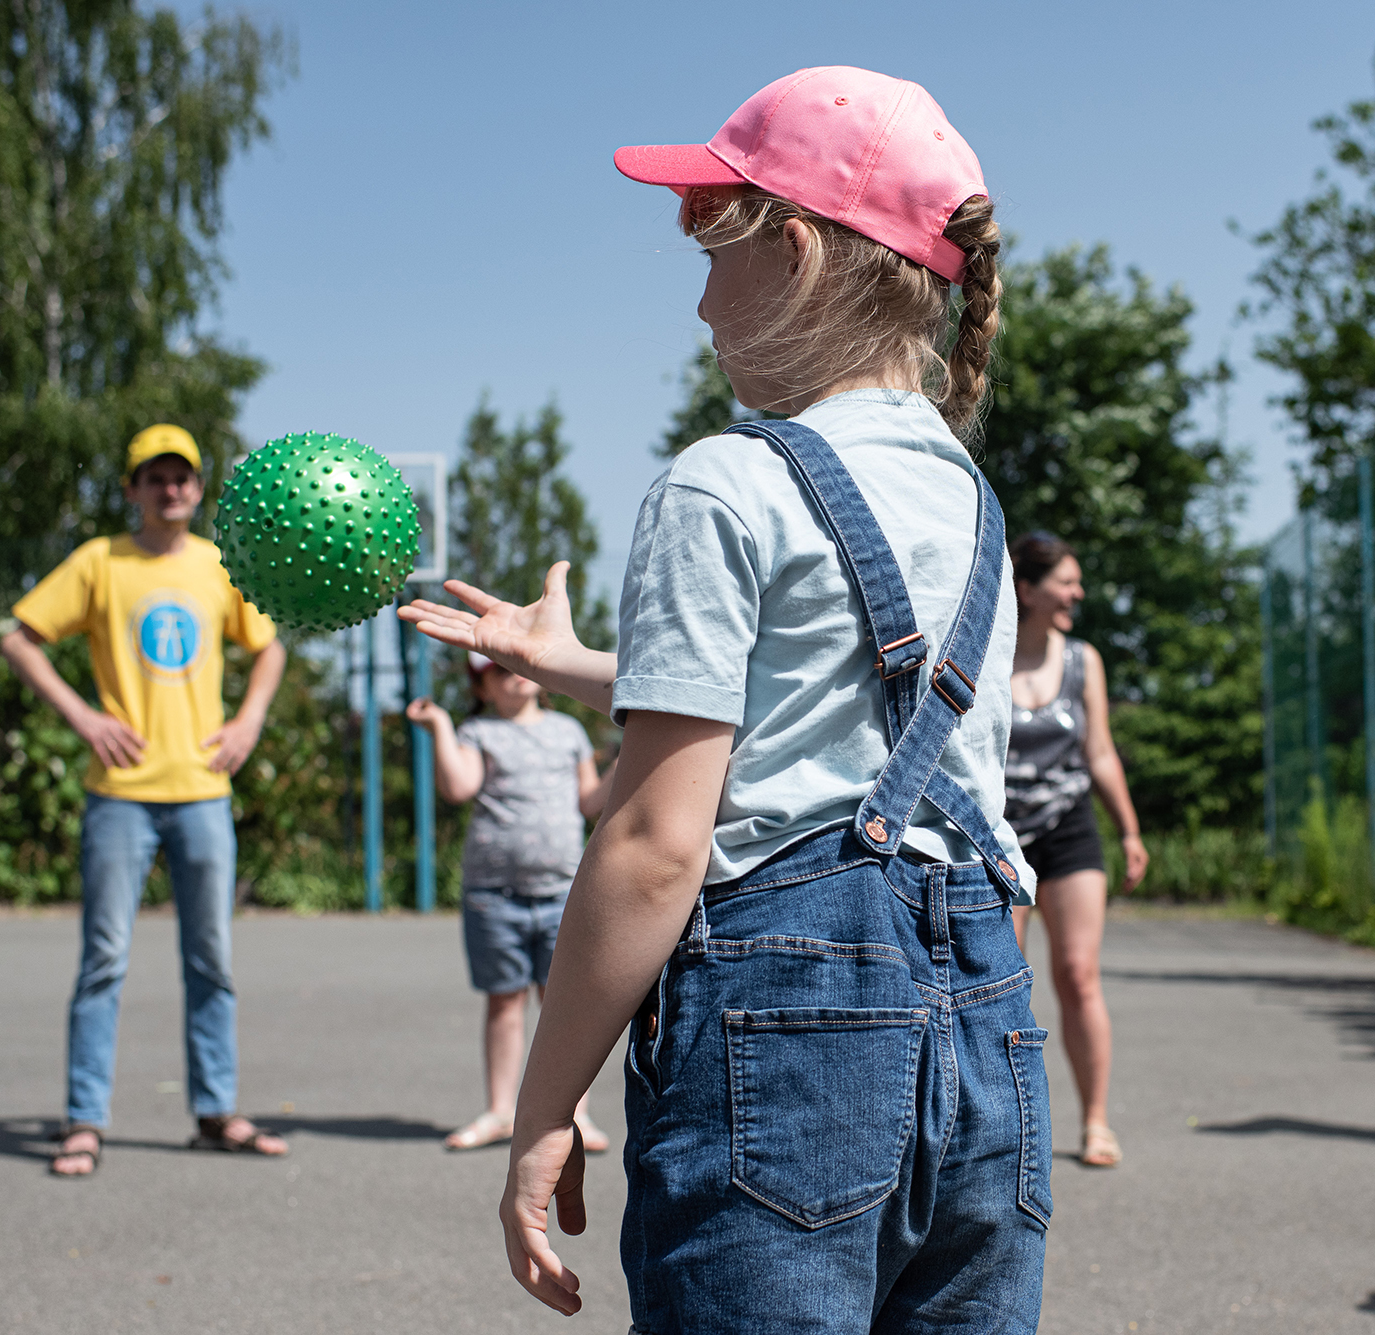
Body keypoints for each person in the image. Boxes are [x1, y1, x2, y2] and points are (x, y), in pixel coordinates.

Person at [400, 66, 1047, 1330]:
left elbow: (653, 843)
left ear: (797, 251)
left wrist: (543, 1109)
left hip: (788, 1031)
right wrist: (584, 664)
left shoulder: (724, 481)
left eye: (708, 248)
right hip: (987, 1030)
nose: (699, 303)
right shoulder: (973, 508)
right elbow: (859, 720)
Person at [0, 424, 292, 1178]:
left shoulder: (219, 564)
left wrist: (249, 720)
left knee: (212, 960)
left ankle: (216, 1111)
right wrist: (84, 716)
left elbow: (269, 647)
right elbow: (20, 639)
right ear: (132, 488)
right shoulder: (101, 562)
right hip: (120, 796)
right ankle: (85, 1120)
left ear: (198, 487)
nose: (171, 488)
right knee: (103, 960)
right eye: (154, 477)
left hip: (201, 792)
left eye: (183, 476)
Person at [405, 652, 612, 1153]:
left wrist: (634, 750)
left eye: (516, 666)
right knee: (504, 1004)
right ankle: (501, 1111)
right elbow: (459, 786)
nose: (511, 676)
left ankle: (573, 1115)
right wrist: (439, 727)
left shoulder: (568, 732)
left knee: (562, 1006)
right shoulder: (479, 734)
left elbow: (590, 801)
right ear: (483, 689)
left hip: (564, 891)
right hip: (494, 895)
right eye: (497, 671)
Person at [1004, 532, 1148, 1169]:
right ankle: (1002, 1130)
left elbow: (1100, 753)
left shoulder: (1085, 661)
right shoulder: (984, 654)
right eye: (1066, 581)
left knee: (1078, 975)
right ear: (1028, 590)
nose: (1077, 593)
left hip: (1069, 829)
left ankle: (1095, 1121)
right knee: (1002, 985)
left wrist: (1130, 830)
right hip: (1000, 834)